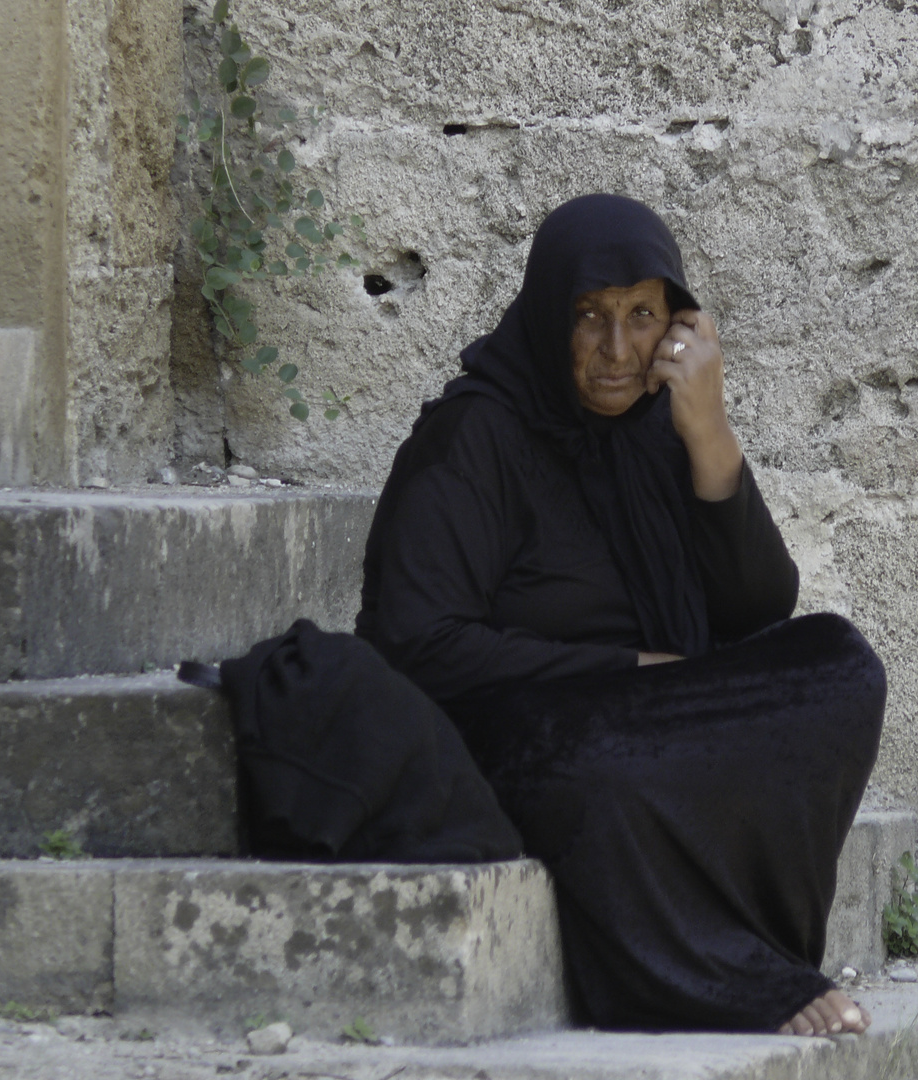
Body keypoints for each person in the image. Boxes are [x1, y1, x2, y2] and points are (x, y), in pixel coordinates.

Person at [354, 194, 886, 1036]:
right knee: (604, 766)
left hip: (650, 713)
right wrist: (626, 672)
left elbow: (757, 608)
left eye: (642, 316)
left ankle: (763, 950)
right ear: (546, 317)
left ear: (677, 324)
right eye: (589, 317)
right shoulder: (473, 436)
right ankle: (705, 983)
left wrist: (708, 430)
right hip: (528, 729)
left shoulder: (659, 425)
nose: (615, 350)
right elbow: (415, 644)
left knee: (841, 665)